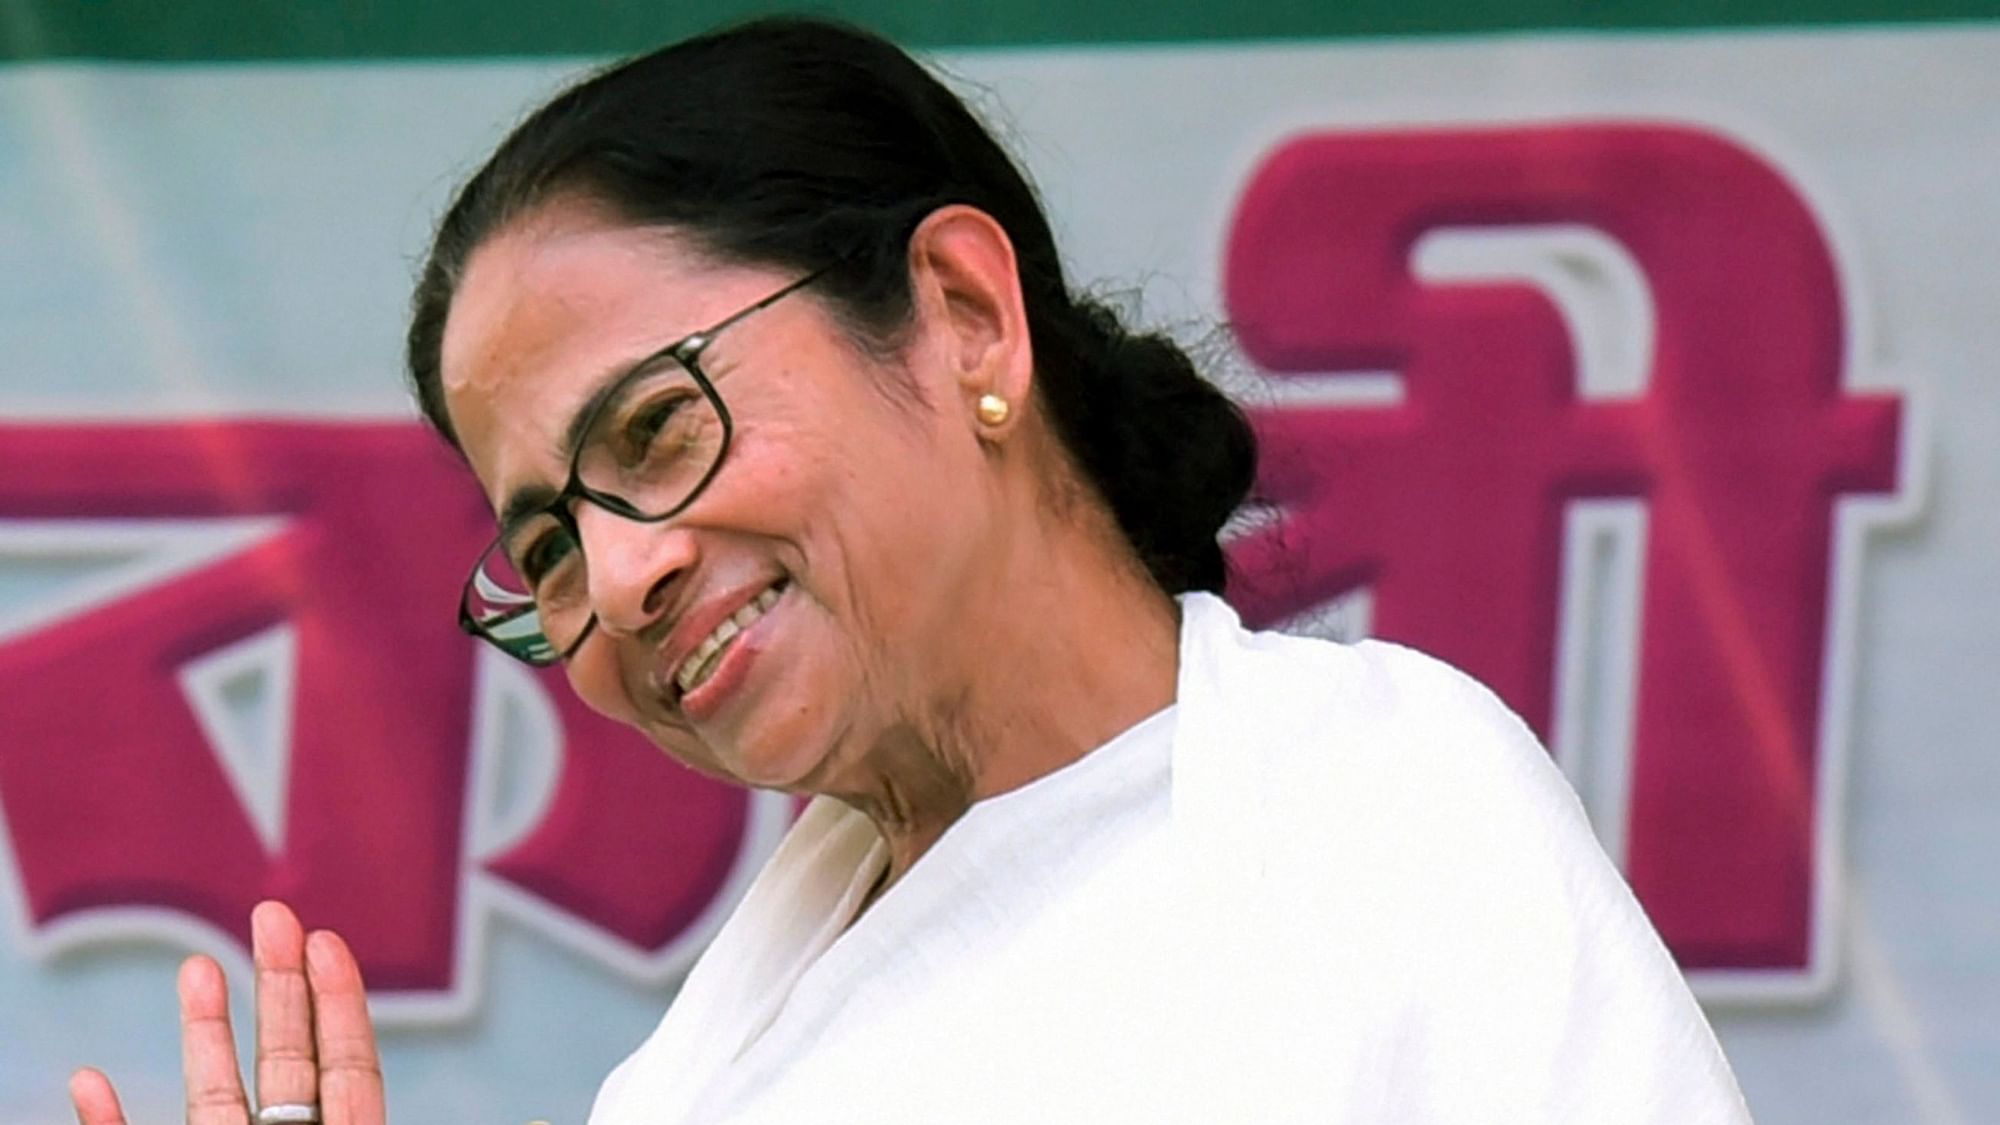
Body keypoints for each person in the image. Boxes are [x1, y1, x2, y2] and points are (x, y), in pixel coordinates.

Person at [70, 17, 1752, 1124]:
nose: (626, 573)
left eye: (658, 428)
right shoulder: (696, 1081)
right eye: (548, 543)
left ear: (960, 314)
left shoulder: (1375, 811)